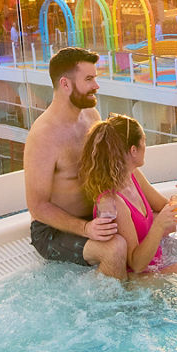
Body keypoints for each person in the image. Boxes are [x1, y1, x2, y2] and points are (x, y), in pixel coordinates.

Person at [23, 47, 127, 277]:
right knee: (115, 249)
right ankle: (118, 312)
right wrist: (86, 229)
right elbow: (37, 206)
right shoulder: (43, 137)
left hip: (93, 216)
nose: (96, 86)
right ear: (65, 84)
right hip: (53, 231)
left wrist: (107, 198)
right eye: (89, 79)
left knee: (153, 223)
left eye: (95, 78)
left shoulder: (91, 116)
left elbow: (102, 167)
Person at [80, 114, 177, 275]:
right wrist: (158, 225)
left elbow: (164, 205)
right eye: (144, 142)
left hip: (156, 262)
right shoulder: (114, 202)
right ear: (133, 150)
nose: (145, 147)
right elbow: (135, 265)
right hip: (141, 276)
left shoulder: (132, 175)